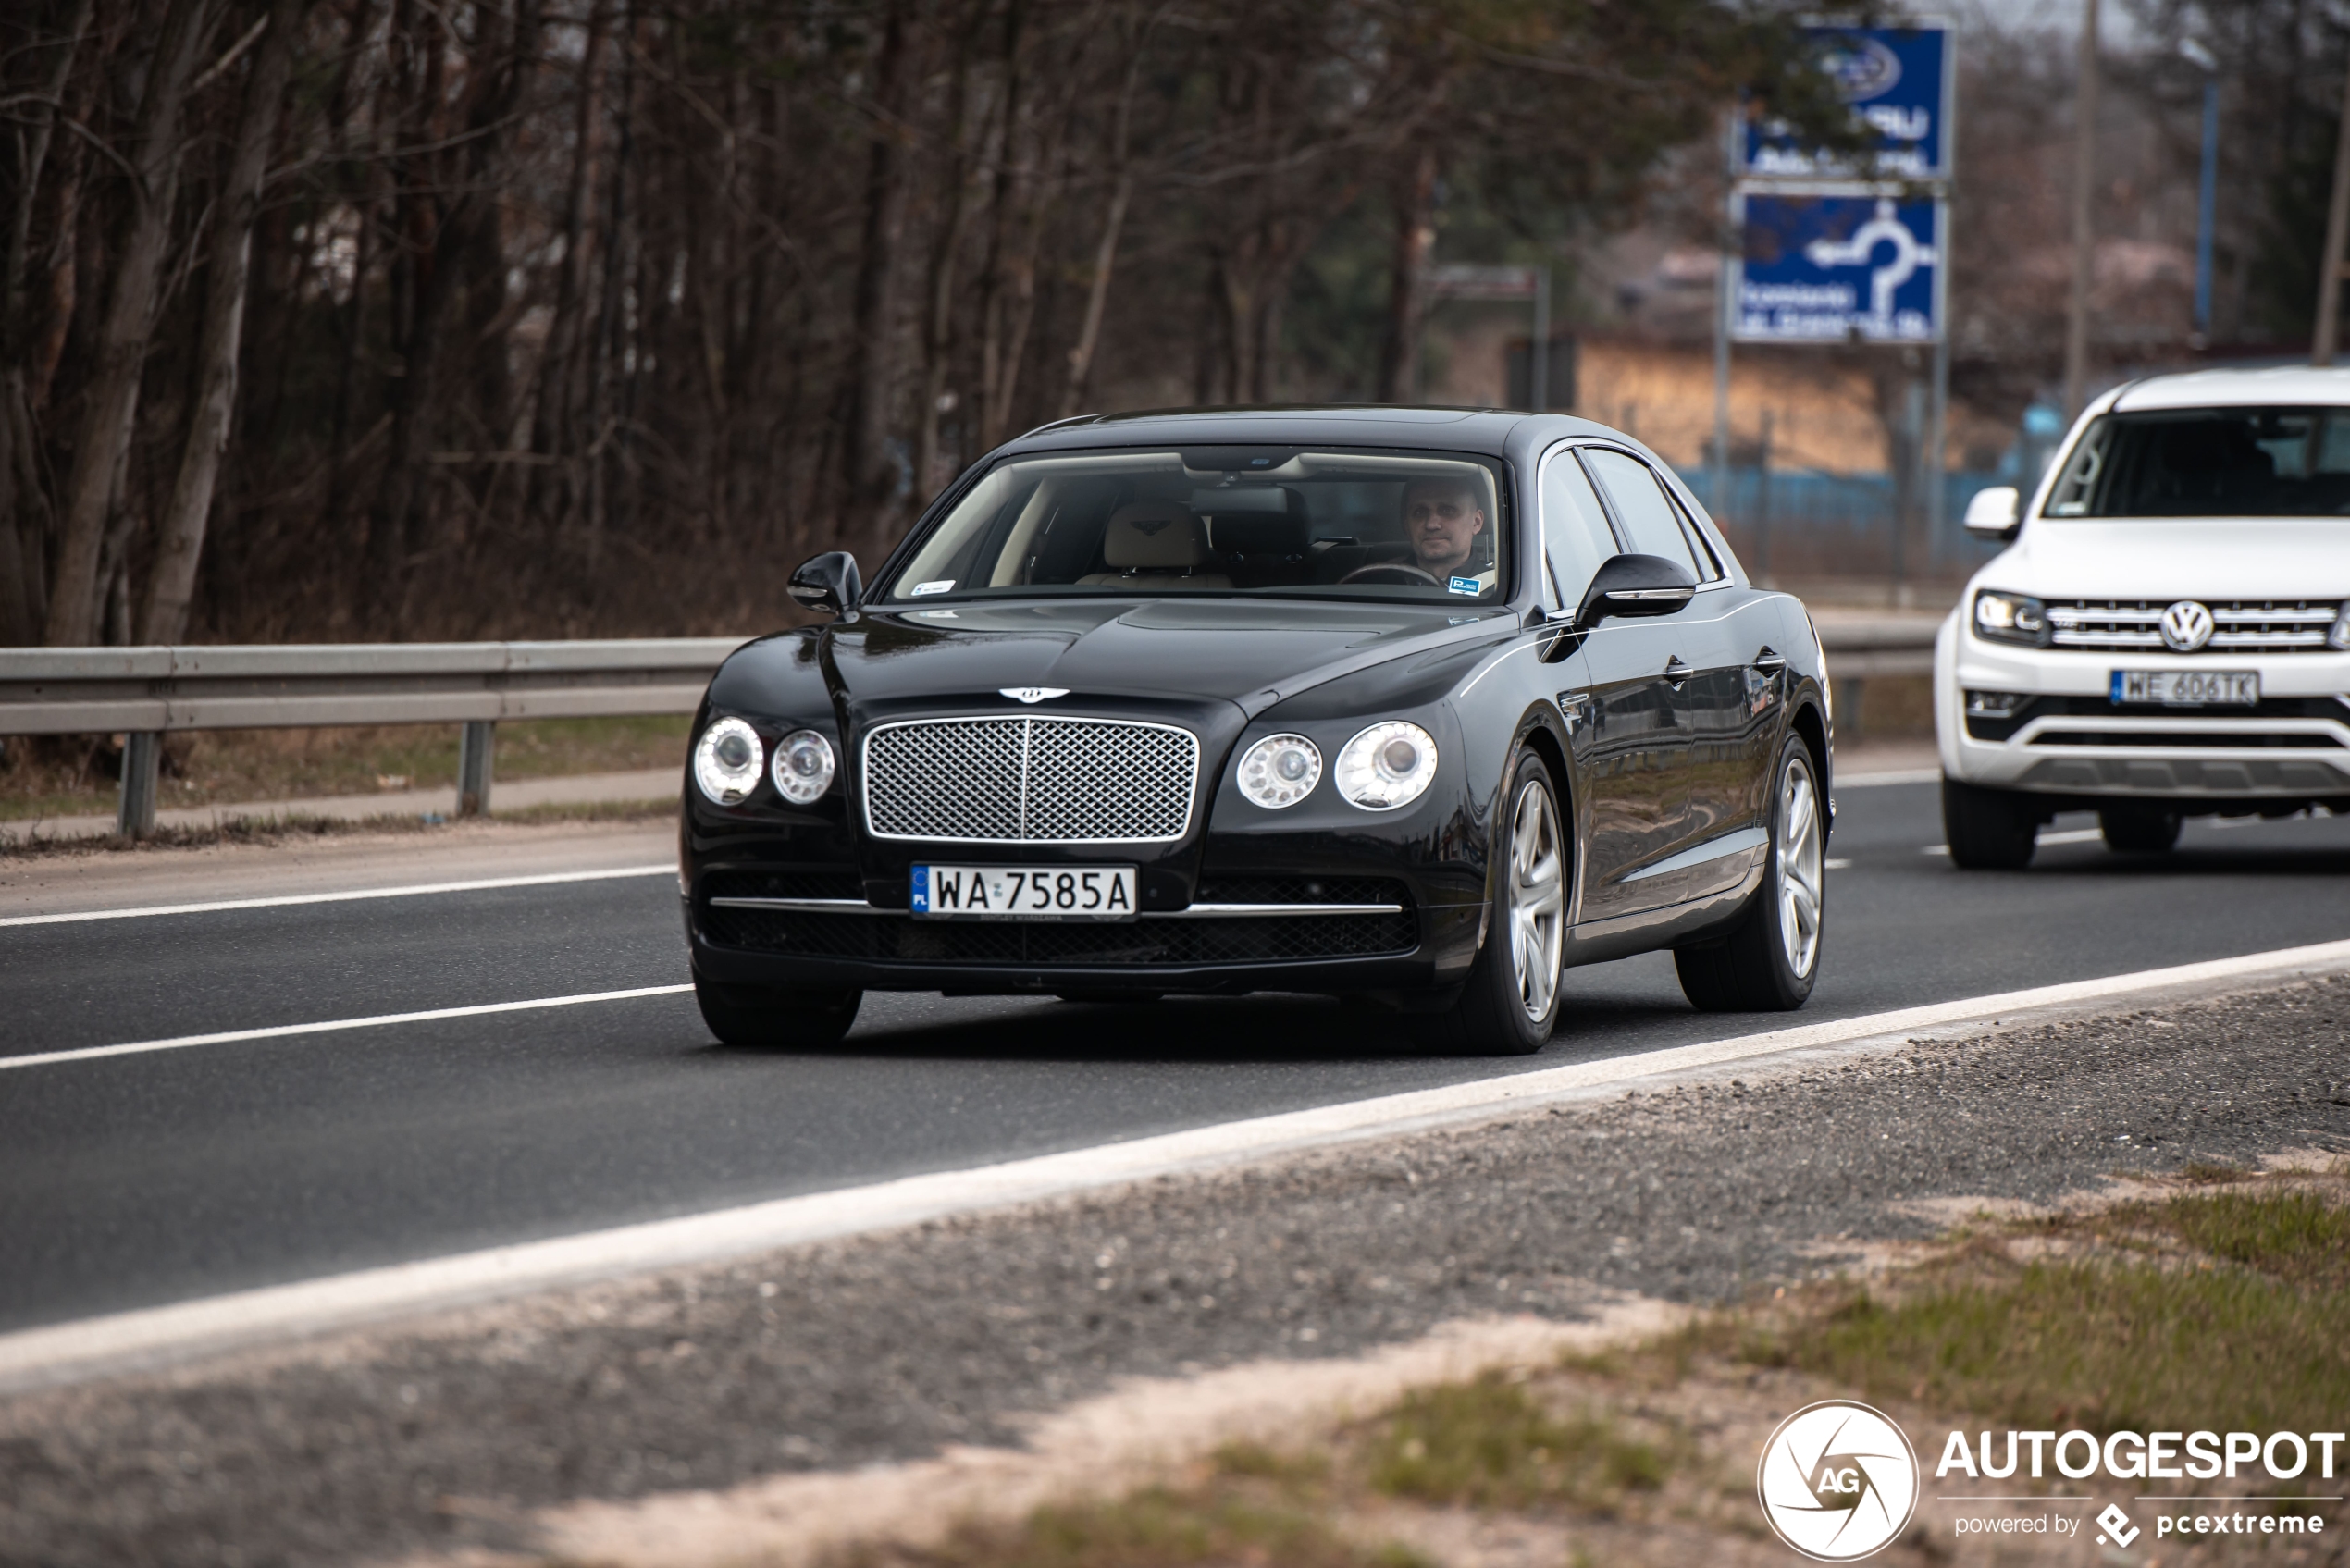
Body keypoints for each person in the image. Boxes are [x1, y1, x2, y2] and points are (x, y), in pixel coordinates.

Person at [1403, 475, 1493, 592]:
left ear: (1476, 522)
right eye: (1420, 512)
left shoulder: (1501, 591)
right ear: (1407, 527)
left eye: (1447, 510)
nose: (1431, 524)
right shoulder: (1377, 584)